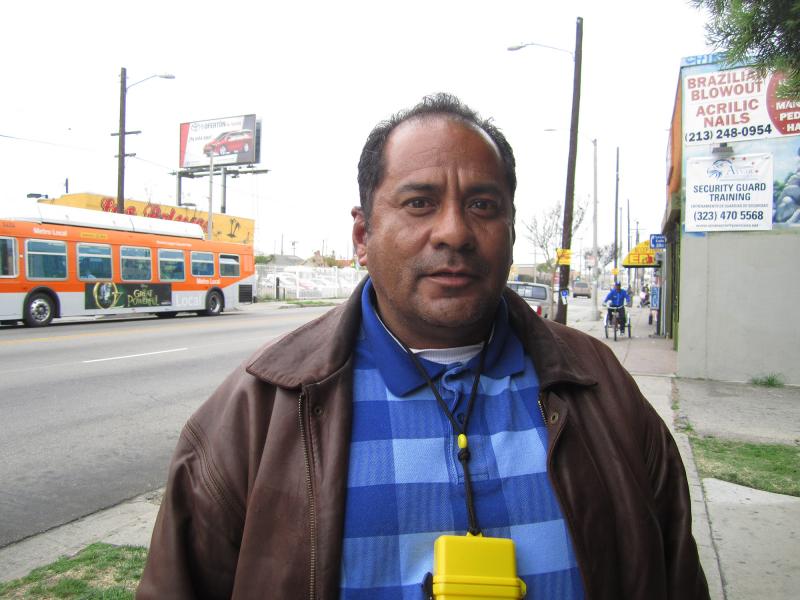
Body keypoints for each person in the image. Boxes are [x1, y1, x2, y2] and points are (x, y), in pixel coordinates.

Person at [137, 94, 709, 599]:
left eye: (483, 205)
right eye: (419, 203)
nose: (455, 231)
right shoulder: (259, 409)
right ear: (362, 236)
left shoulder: (601, 389)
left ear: (511, 228)